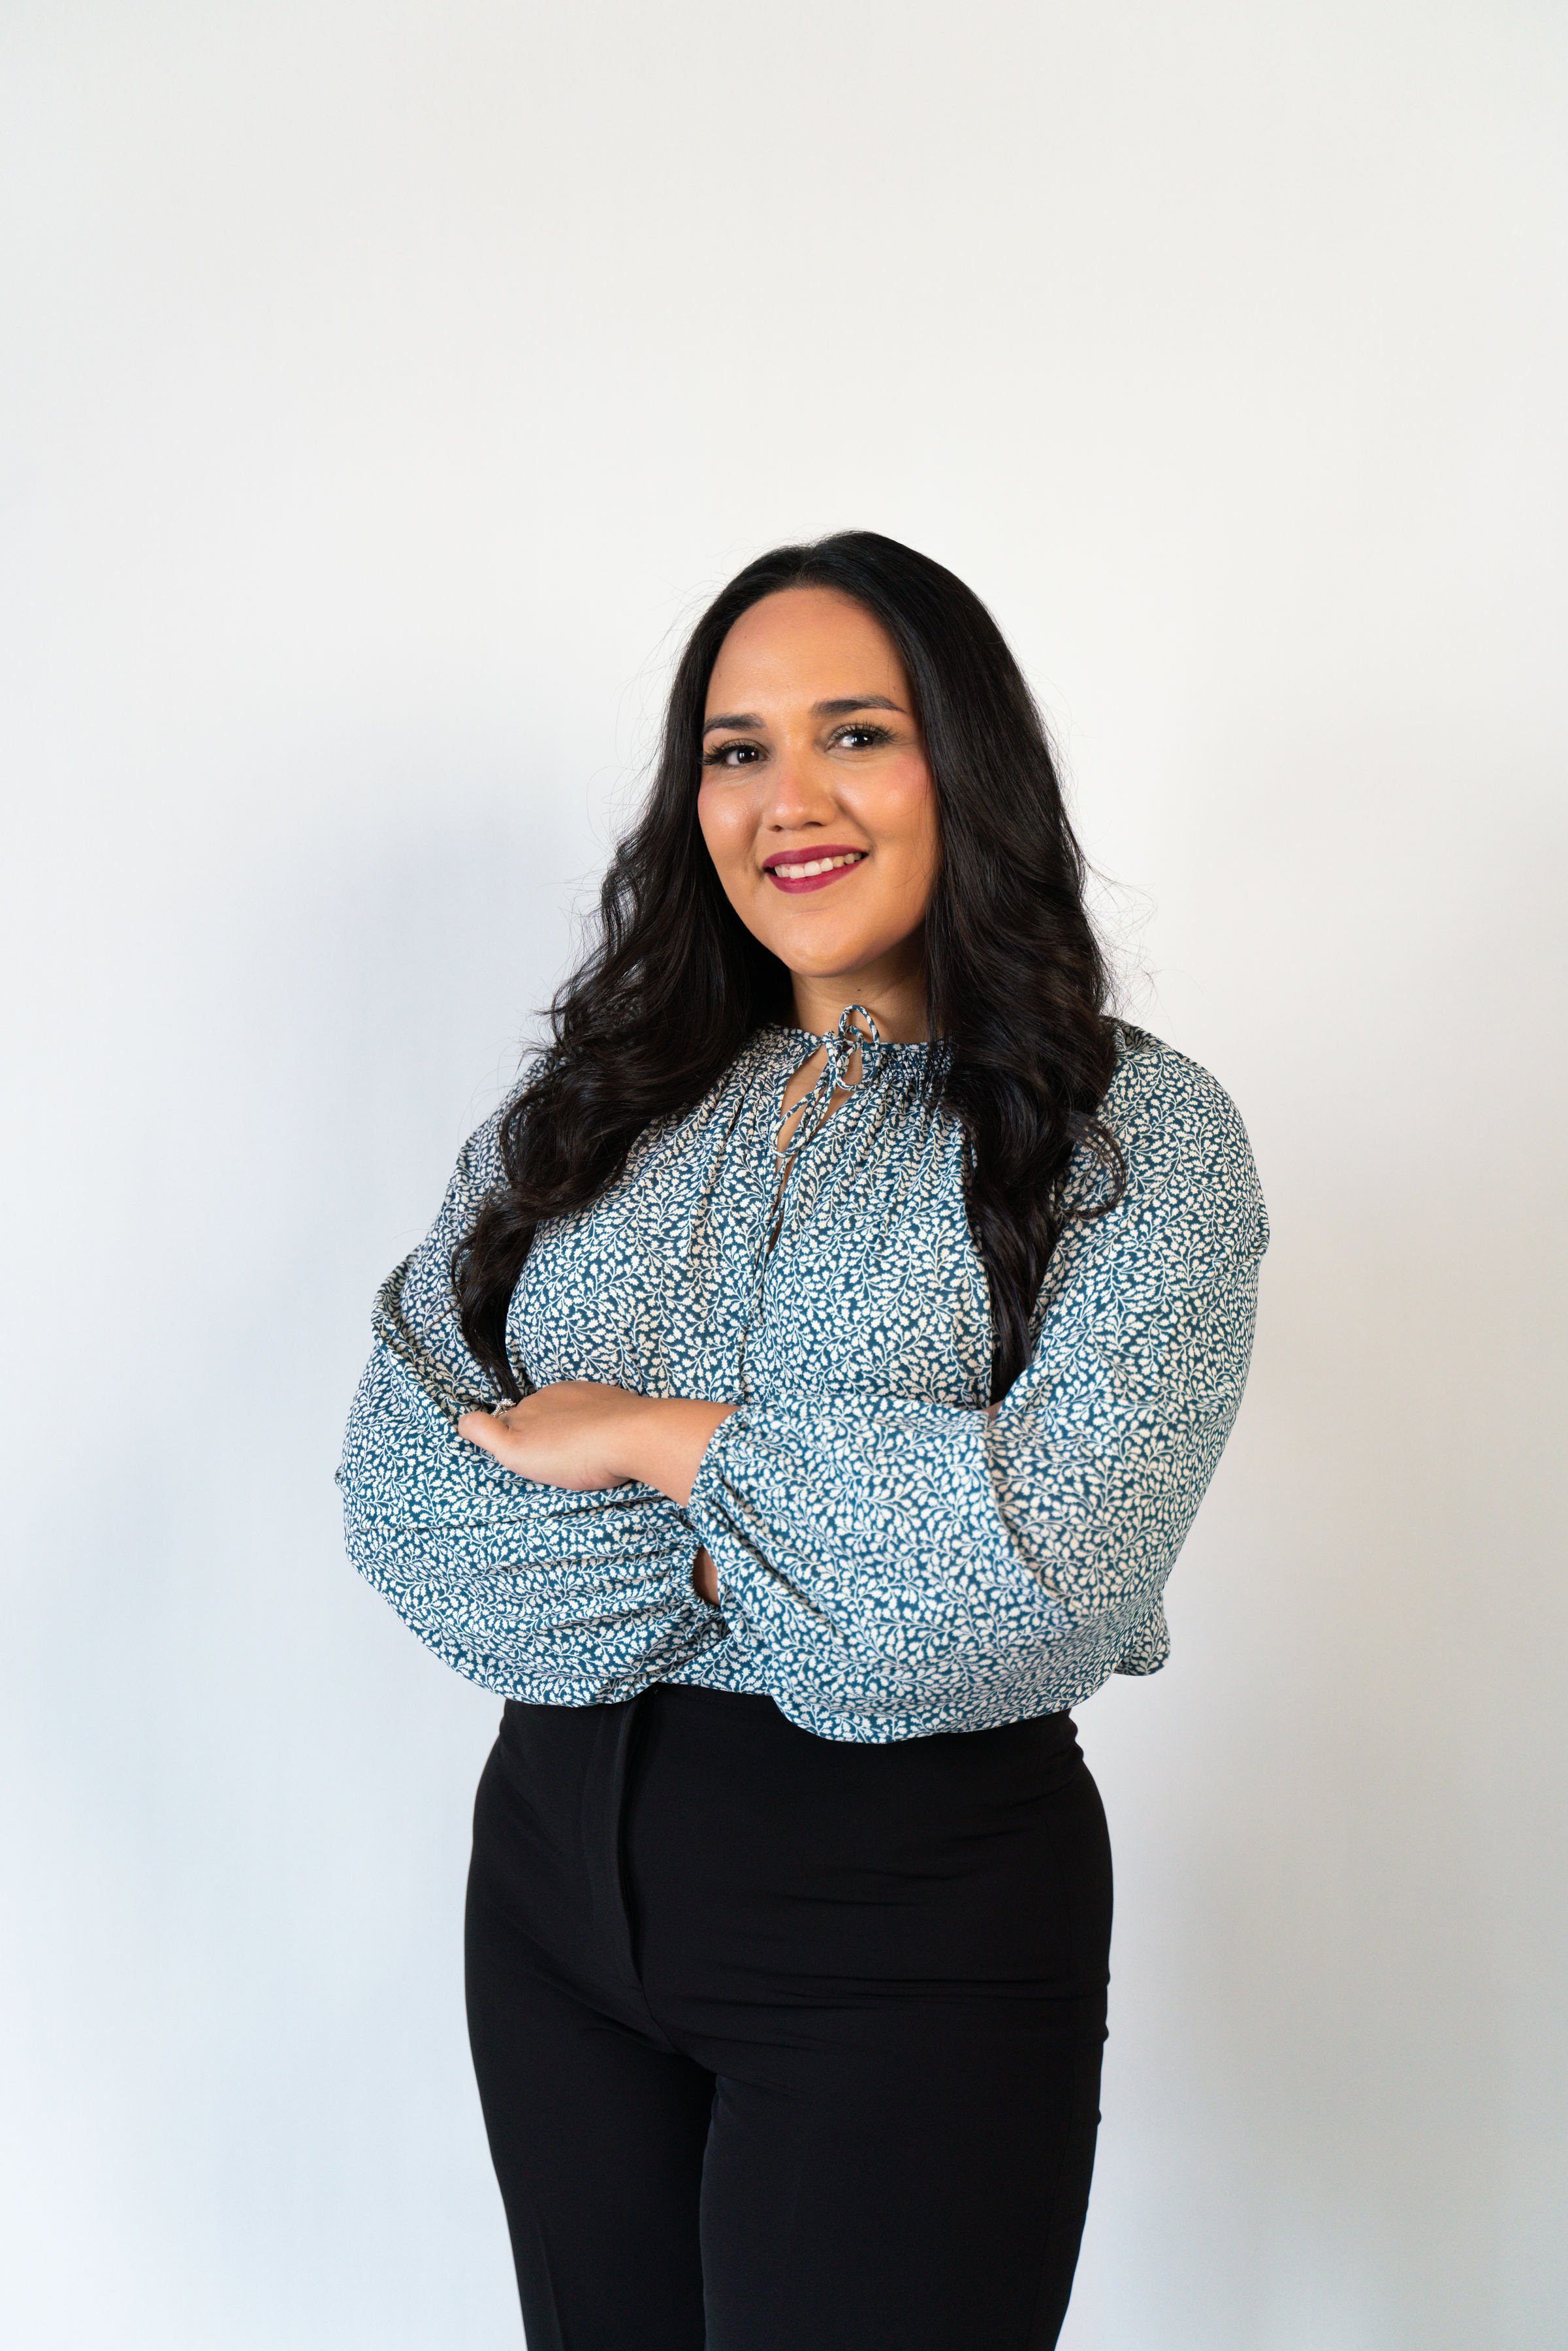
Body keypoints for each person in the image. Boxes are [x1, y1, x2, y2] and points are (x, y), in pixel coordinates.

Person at [338, 530, 1268, 2350]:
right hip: (546, 1894)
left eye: (855, 732)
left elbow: (1040, 1585)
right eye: (734, 748)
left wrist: (652, 1438)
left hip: (904, 1918)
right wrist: (824, 1542)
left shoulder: (1137, 1144)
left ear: (963, 764)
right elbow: (406, 1501)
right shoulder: (592, 1112)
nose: (788, 798)